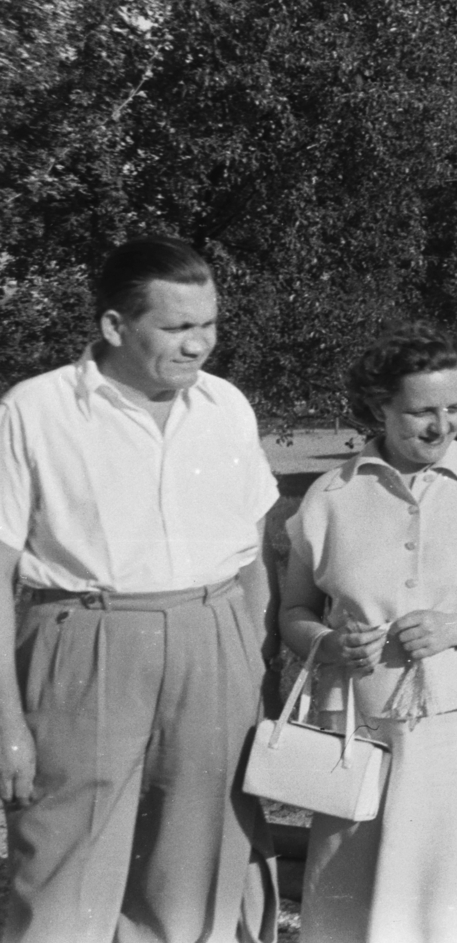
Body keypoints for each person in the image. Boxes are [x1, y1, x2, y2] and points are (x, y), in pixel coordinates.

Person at [0, 238, 280, 943]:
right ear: (115, 326)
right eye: (178, 327)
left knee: (194, 876)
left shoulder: (226, 407)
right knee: (62, 868)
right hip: (82, 647)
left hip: (214, 644)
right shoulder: (34, 411)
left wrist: (250, 663)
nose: (200, 346)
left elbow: (252, 555)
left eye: (209, 325)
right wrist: (6, 721)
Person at [279, 322, 457, 943]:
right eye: (421, 411)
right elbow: (293, 613)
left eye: (456, 407)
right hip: (356, 734)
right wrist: (326, 642)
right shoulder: (331, 495)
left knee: (447, 906)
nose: (443, 427)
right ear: (377, 406)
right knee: (352, 905)